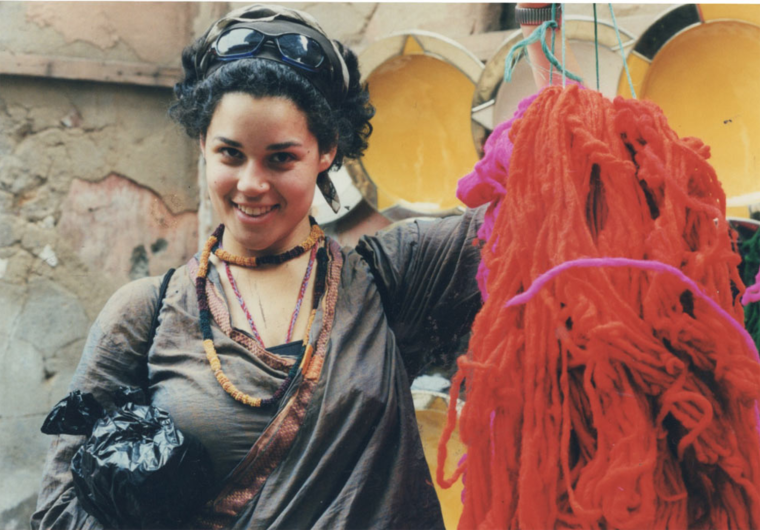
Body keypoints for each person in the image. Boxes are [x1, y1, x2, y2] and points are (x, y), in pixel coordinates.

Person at [32, 5, 486, 529]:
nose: (251, 183)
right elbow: (59, 512)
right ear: (202, 143)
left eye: (280, 158)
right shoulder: (146, 314)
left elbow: (547, 205)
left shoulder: (390, 281)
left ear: (326, 151)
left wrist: (542, 36)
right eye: (230, 154)